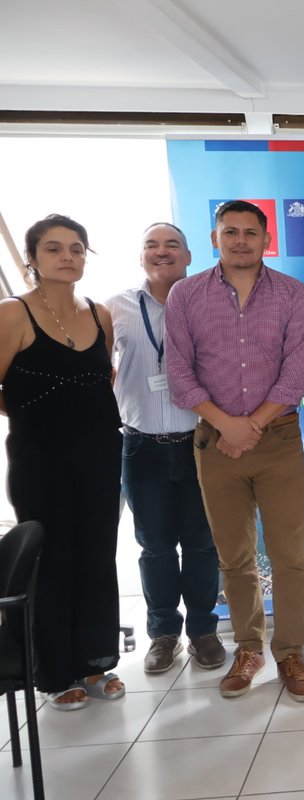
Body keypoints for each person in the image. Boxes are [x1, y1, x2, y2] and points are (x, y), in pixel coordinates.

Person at [165, 200, 304, 701]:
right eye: (230, 231)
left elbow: (297, 373)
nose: (240, 241)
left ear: (266, 240)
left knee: (289, 556)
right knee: (234, 556)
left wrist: (249, 426)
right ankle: (249, 649)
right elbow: (179, 373)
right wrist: (226, 426)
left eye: (250, 232)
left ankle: (291, 652)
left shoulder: (293, 293)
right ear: (215, 238)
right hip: (215, 442)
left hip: (278, 440)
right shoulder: (186, 295)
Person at [0, 214, 124, 709]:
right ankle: (54, 672)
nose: (67, 257)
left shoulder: (99, 313)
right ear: (32, 258)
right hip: (40, 457)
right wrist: (32, 414)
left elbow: (102, 378)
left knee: (97, 554)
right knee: (51, 560)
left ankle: (96, 661)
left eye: (76, 248)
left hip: (100, 453)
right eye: (53, 248)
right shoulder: (12, 314)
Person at [109, 223, 223, 675]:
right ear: (141, 257)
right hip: (142, 448)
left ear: (189, 255)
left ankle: (203, 631)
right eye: (151, 245)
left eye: (172, 244)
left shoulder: (211, 303)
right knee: (154, 547)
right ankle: (163, 634)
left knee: (201, 544)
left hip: (199, 444)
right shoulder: (114, 308)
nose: (161, 251)